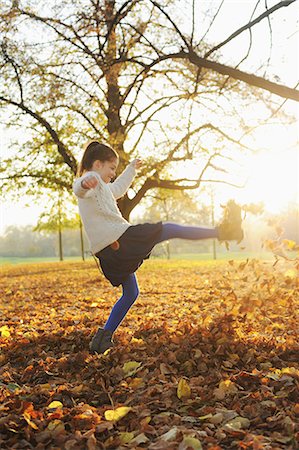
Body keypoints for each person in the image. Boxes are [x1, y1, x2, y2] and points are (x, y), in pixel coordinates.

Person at [73, 141, 244, 354]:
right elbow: (79, 189)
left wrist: (131, 169)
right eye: (111, 168)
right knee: (168, 228)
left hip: (110, 251)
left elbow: (118, 189)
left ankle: (102, 340)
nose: (112, 174)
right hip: (120, 240)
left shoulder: (103, 187)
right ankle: (222, 232)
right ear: (97, 165)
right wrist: (86, 181)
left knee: (131, 293)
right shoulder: (90, 182)